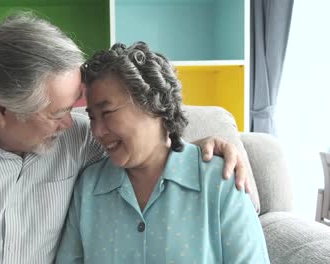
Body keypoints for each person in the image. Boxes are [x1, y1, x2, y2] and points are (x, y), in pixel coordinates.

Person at [0, 14, 250, 263]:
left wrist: (208, 146)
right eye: (56, 113)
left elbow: (146, 139)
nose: (77, 123)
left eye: (74, 107)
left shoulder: (77, 139)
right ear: (1, 108)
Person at [55, 42, 269, 263]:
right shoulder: (88, 188)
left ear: (154, 105)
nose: (97, 131)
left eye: (107, 113)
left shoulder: (219, 182)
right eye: (92, 117)